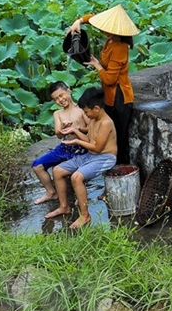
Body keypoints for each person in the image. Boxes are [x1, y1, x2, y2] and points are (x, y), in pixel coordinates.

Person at [68, 4, 139, 166]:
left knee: (119, 138)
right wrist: (78, 22)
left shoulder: (120, 48)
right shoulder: (111, 39)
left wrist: (97, 65)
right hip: (109, 95)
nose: (104, 31)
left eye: (109, 29)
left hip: (120, 97)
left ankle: (122, 170)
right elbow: (91, 18)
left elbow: (110, 80)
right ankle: (107, 167)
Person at [44, 87, 117, 229]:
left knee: (76, 177)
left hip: (105, 157)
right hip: (91, 155)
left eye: (86, 111)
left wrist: (76, 141)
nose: (85, 114)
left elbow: (97, 147)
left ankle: (85, 215)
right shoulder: (94, 119)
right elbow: (90, 140)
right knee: (57, 171)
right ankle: (64, 206)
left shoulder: (106, 122)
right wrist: (75, 131)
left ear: (96, 108)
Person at [31, 81, 89, 205]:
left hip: (81, 147)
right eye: (56, 99)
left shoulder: (82, 109)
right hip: (64, 147)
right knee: (37, 165)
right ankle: (51, 192)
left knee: (78, 170)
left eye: (62, 95)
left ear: (69, 90)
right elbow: (58, 134)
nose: (60, 100)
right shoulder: (57, 114)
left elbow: (91, 128)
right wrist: (63, 128)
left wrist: (77, 128)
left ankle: (81, 194)